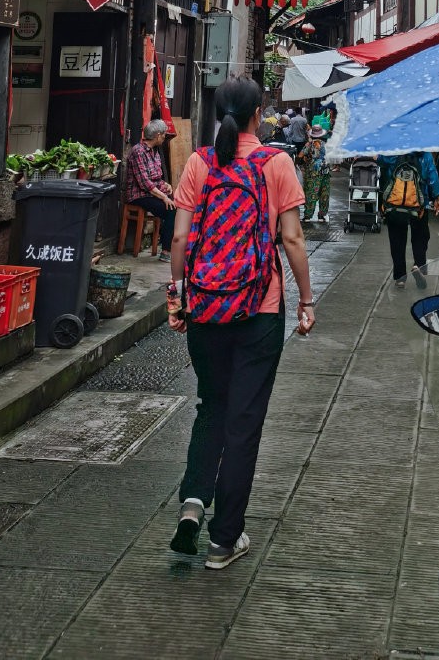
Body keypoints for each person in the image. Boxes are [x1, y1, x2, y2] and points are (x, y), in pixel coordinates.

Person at [167, 77, 315, 570]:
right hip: (259, 310)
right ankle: (223, 541)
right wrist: (306, 300)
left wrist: (177, 297)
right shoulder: (276, 163)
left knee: (211, 406)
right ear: (258, 115)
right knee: (244, 424)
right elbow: (292, 240)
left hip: (205, 306)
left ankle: (192, 504)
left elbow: (180, 239)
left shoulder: (199, 162)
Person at [379, 151, 439, 289]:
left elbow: (380, 160)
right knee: (421, 237)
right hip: (419, 205)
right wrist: (438, 197)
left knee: (397, 240)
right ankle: (418, 265)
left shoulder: (394, 151)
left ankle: (400, 278)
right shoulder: (425, 154)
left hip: (395, 205)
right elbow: (433, 176)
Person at [124, 119, 176, 259]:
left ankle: (167, 244)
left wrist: (166, 185)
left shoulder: (155, 151)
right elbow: (144, 183)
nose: (164, 137)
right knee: (171, 210)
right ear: (158, 135)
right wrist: (164, 197)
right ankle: (166, 251)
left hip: (150, 194)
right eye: (164, 134)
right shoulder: (138, 151)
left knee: (176, 204)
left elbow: (156, 177)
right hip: (138, 195)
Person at [297, 124, 331, 224]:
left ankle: (308, 216)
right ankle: (322, 215)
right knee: (324, 193)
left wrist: (301, 162)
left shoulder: (310, 144)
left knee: (311, 193)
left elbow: (300, 156)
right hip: (325, 171)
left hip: (313, 172)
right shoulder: (327, 144)